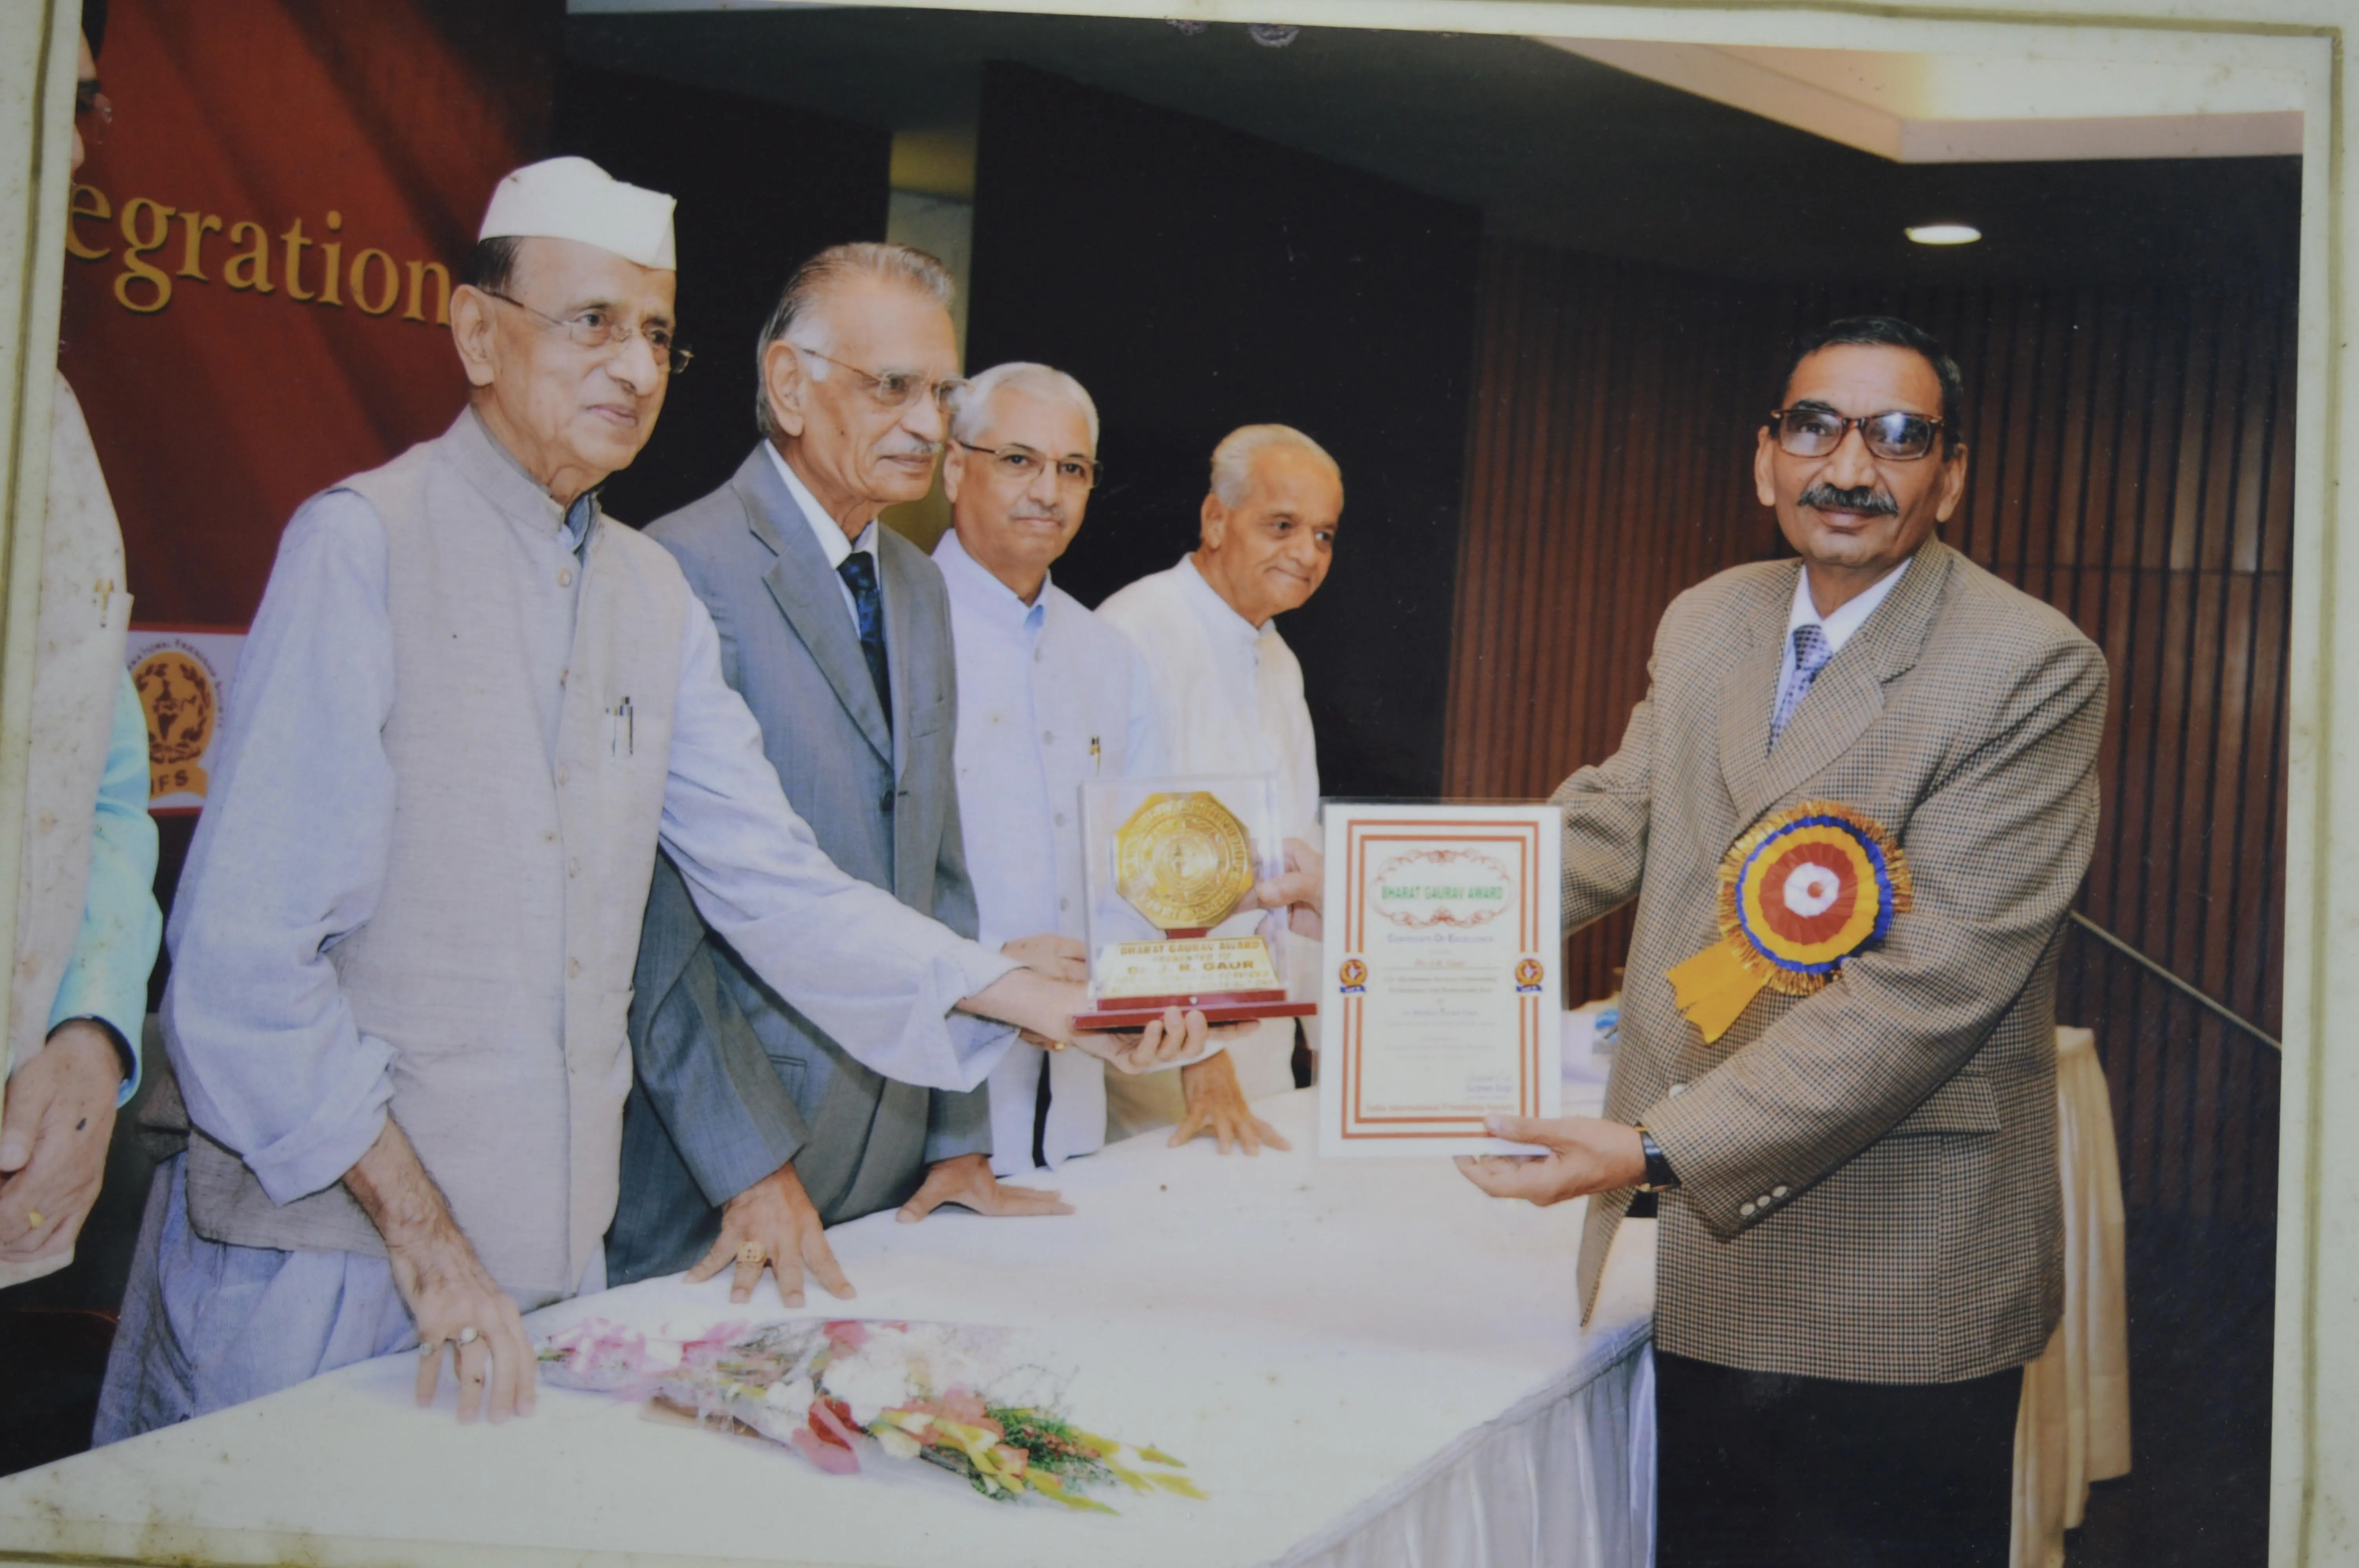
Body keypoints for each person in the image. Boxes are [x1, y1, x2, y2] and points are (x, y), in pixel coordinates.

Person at [95, 163, 1191, 1443]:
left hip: (540, 1277)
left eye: (660, 335)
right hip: (329, 1258)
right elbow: (242, 968)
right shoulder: (363, 544)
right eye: (592, 323)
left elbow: (774, 884)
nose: (633, 365)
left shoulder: (643, 592)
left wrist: (1029, 1001)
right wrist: (426, 1240)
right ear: (476, 335)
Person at [1457, 316, 2107, 1567]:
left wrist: (1652, 1145)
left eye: (1898, 436)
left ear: (1950, 477)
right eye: (1815, 426)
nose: (1849, 467)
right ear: (1767, 458)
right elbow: (1614, 822)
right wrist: (1389, 897)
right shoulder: (1711, 616)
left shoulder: (2030, 667)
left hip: (1897, 1264)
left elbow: (1930, 991)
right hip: (1712, 1260)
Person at [608, 250, 1210, 1307]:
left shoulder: (910, 588)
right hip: (735, 1181)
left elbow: (937, 877)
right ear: (789, 387)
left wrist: (956, 1135)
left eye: (939, 393)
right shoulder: (683, 570)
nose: (930, 426)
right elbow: (663, 930)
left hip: (889, 1160)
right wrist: (749, 1165)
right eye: (893, 388)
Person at [932, 363, 1279, 1169]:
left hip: (1075, 1105)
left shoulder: (1106, 655)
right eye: (1017, 459)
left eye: (1073, 469)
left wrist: (1172, 984)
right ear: (955, 466)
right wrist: (990, 961)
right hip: (929, 1099)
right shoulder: (894, 625)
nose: (1047, 491)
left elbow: (1145, 864)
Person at [0, 4, 163, 1289]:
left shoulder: (44, 422)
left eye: (81, 98)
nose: (70, 143)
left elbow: (102, 783)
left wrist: (92, 1026)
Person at [1095, 425, 1340, 1144]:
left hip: (1262, 1049)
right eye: (1283, 525)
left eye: (1325, 535)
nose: (1307, 553)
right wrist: (1203, 1060)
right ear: (1214, 520)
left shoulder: (1279, 658)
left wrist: (1327, 1045)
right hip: (1163, 1057)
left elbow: (1301, 862)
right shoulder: (1135, 632)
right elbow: (1121, 868)